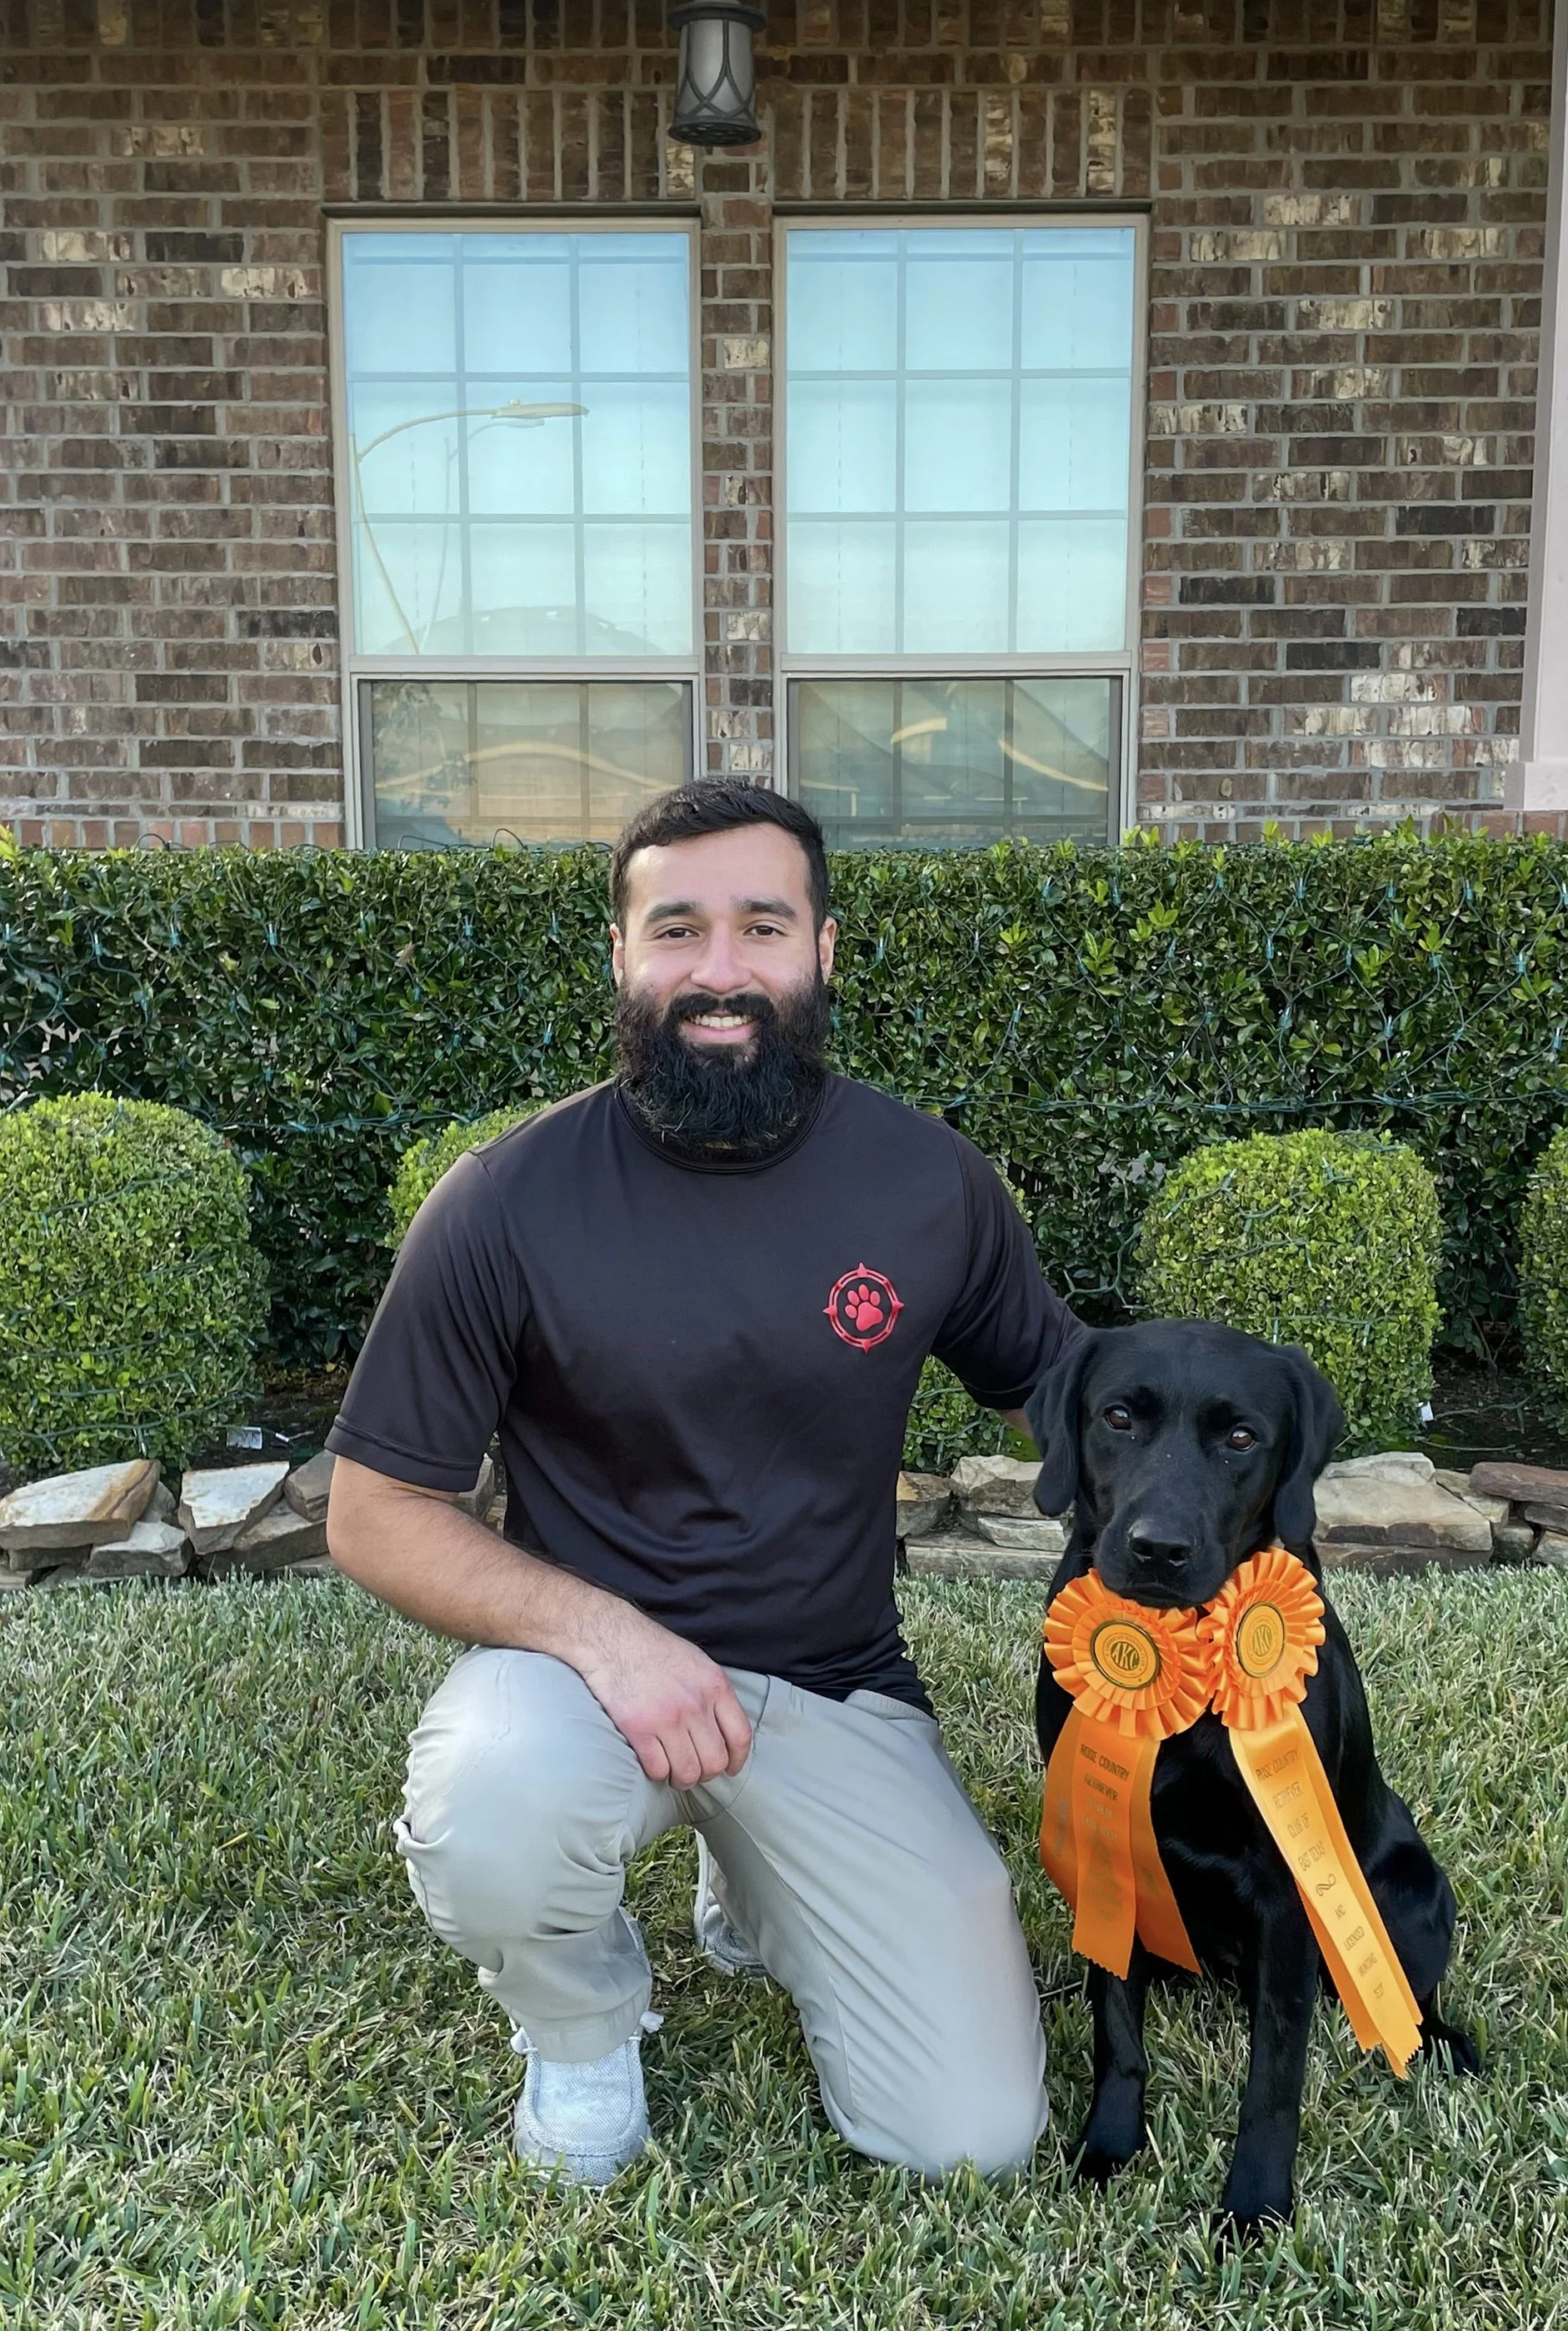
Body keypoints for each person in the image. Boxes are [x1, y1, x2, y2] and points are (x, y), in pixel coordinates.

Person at [326, 778, 1082, 2187]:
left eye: (761, 926)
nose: (720, 971)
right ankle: (584, 2032)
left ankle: (755, 1894)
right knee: (492, 1802)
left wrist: (1224, 1454)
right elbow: (374, 1512)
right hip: (582, 1685)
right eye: (677, 929)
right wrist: (612, 1639)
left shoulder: (929, 1183)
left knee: (969, 2137)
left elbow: (1062, 1382)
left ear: (823, 952)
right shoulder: (506, 1200)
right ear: (621, 954)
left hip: (833, 1684)